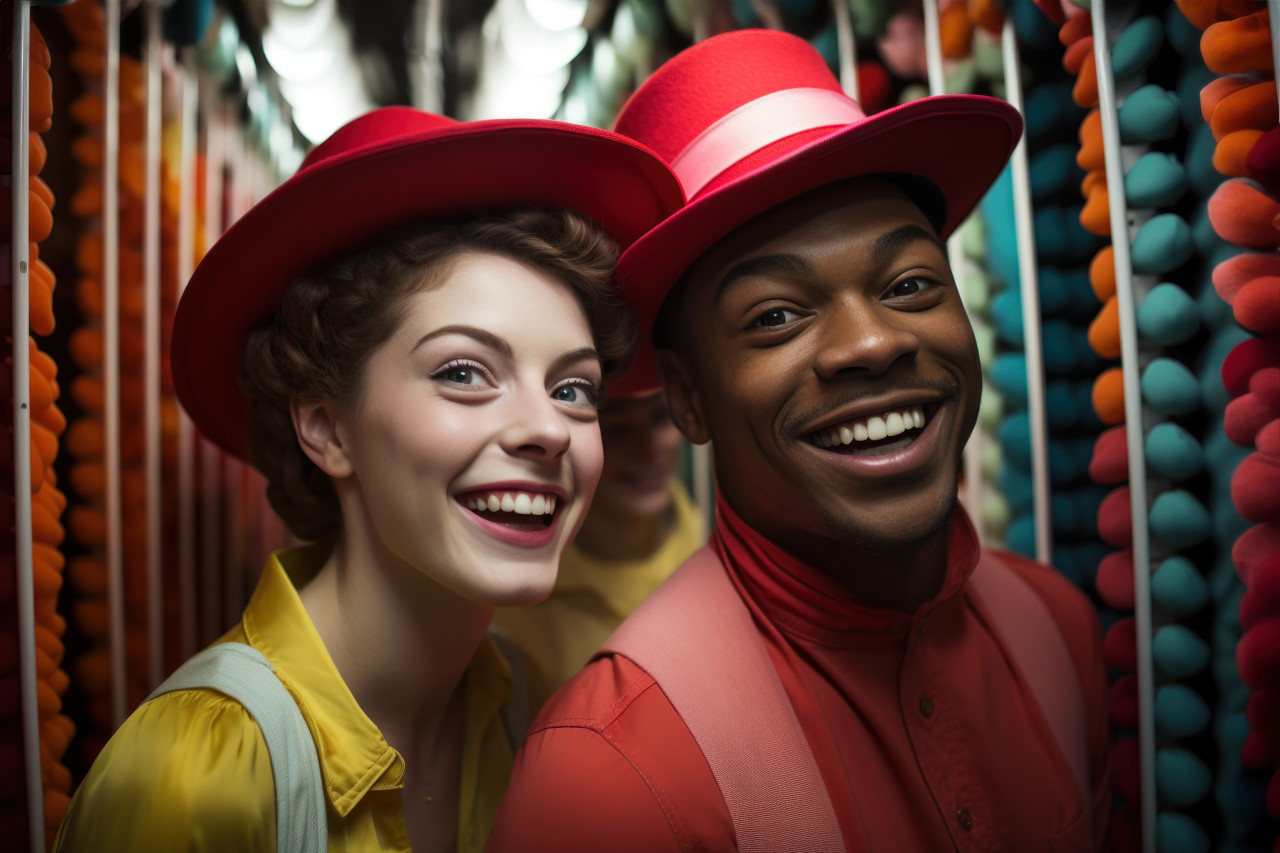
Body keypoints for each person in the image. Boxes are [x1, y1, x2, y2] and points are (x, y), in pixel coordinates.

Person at [487, 30, 1112, 852]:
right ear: (688, 399)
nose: (873, 343)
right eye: (776, 315)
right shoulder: (609, 775)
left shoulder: (1059, 630)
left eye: (910, 284)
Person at [52, 107, 681, 853]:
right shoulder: (187, 780)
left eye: (573, 389)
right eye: (463, 373)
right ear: (327, 428)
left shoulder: (524, 705)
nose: (548, 428)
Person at [492, 388, 705, 690]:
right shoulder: (511, 604)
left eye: (660, 417)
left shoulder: (720, 547)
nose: (647, 451)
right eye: (617, 429)